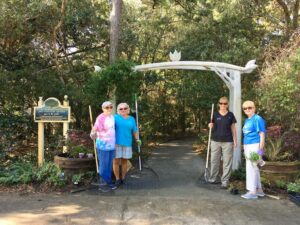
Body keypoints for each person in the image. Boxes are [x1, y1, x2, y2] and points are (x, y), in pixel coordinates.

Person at [208, 96, 237, 189]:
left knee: (227, 162)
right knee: (214, 161)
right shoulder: (215, 114)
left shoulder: (231, 115)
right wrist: (210, 125)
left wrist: (235, 140)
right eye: (221, 103)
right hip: (215, 141)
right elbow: (211, 125)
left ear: (227, 105)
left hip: (228, 141)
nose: (223, 105)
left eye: (225, 103)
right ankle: (213, 178)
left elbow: (233, 128)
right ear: (218, 104)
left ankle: (224, 181)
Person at [241, 100, 266, 199]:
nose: (247, 110)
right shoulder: (247, 120)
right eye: (245, 108)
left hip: (255, 145)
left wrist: (260, 152)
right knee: (254, 167)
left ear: (254, 108)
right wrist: (244, 147)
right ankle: (259, 190)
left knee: (252, 168)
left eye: (250, 107)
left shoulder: (257, 119)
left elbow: (262, 136)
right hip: (248, 146)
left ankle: (252, 192)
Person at [90, 101, 116, 192]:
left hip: (111, 145)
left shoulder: (112, 117)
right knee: (104, 165)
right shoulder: (100, 117)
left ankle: (108, 182)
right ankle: (102, 185)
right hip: (103, 145)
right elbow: (95, 129)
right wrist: (92, 133)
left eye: (110, 107)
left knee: (109, 165)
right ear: (103, 108)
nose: (109, 109)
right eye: (107, 107)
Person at [113, 102, 141, 186]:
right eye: (121, 109)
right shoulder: (115, 117)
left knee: (124, 161)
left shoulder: (131, 119)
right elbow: (107, 127)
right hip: (116, 143)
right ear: (118, 110)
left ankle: (123, 178)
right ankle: (117, 179)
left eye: (125, 108)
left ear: (128, 109)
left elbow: (135, 130)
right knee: (116, 162)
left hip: (127, 143)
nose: (123, 110)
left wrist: (137, 139)